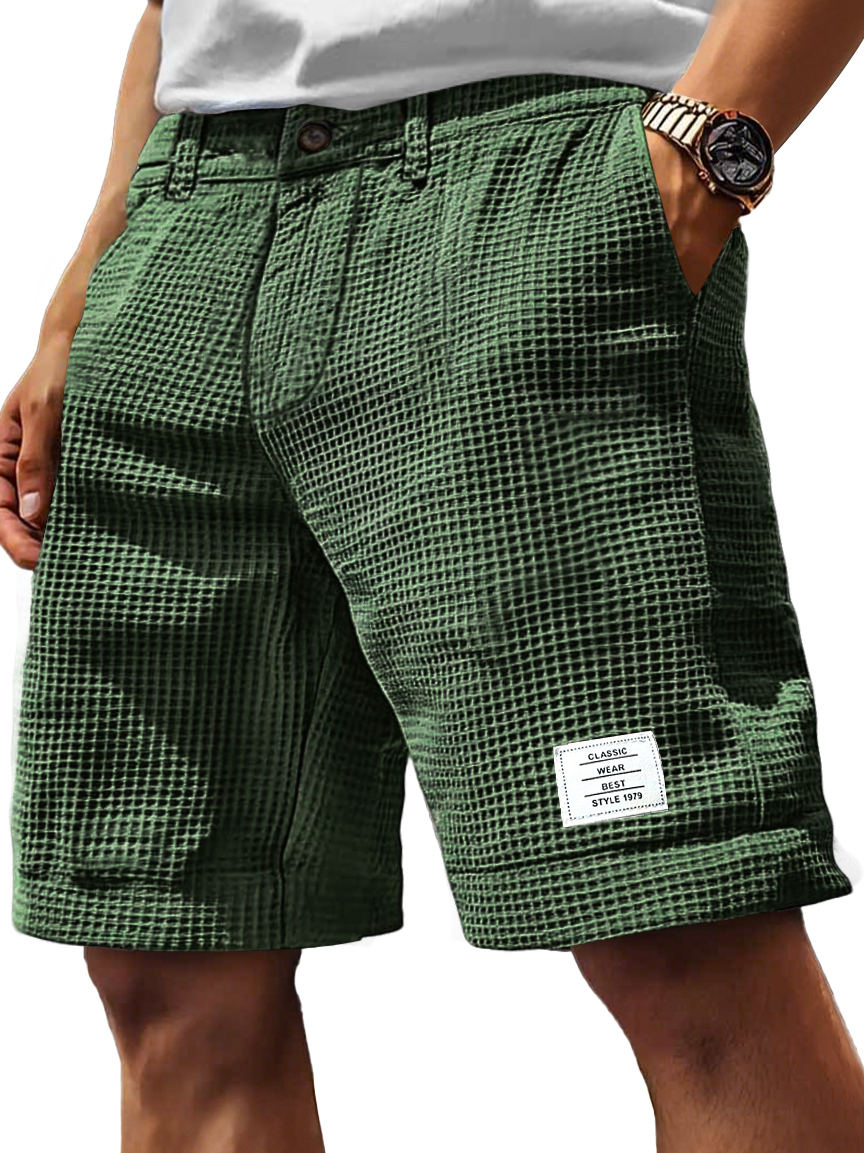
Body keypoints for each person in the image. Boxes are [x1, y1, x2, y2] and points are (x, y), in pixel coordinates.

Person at [3, 0, 864, 1150]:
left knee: (678, 928)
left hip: (520, 188)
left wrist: (697, 160)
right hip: (186, 228)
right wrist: (83, 287)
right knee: (171, 962)